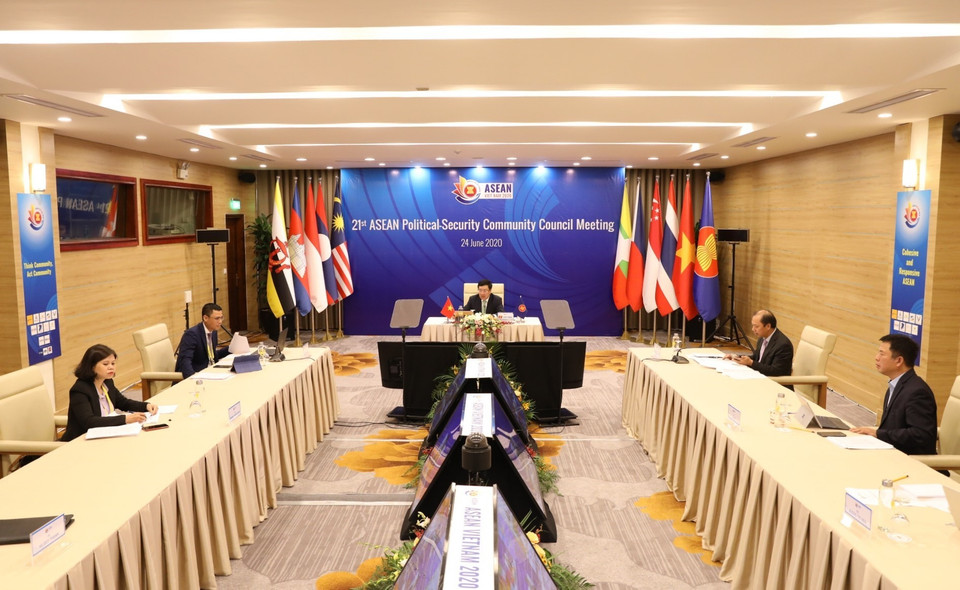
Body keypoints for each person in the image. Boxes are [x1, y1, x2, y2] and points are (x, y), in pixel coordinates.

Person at [850, 334, 938, 455]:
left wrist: (878, 433)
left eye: (882, 354)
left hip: (912, 462)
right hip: (893, 452)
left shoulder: (917, 392)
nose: (876, 358)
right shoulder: (895, 385)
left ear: (899, 361)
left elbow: (921, 435)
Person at [62, 344, 157, 442]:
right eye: (106, 364)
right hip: (81, 441)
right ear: (92, 366)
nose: (111, 367)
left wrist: (146, 406)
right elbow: (89, 422)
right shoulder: (80, 390)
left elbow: (123, 402)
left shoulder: (107, 382)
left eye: (113, 363)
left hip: (106, 435)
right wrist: (125, 419)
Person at [724, 309, 793, 377]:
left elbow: (776, 371)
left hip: (776, 383)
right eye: (753, 325)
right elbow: (756, 357)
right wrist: (736, 357)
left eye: (756, 326)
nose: (753, 329)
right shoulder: (762, 338)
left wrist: (751, 363)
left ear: (768, 326)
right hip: (760, 375)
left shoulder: (783, 345)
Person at [176, 303, 229, 378]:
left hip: (212, 372)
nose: (220, 322)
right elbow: (185, 361)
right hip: (198, 375)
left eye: (221, 318)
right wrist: (194, 379)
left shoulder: (213, 331)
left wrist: (231, 348)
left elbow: (211, 356)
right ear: (205, 318)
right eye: (217, 318)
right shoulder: (191, 334)